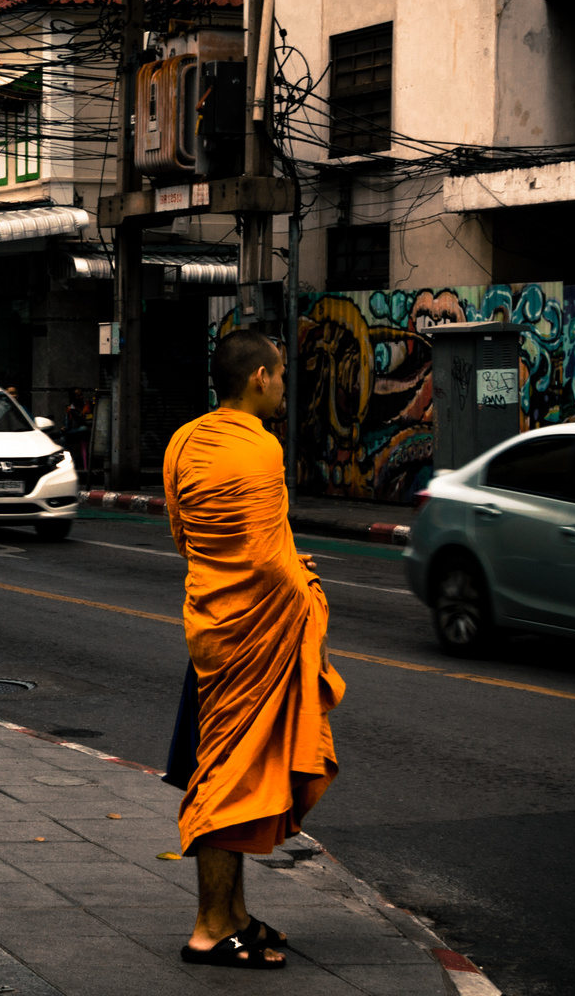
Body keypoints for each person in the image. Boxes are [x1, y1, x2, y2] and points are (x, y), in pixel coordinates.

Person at [162, 330, 345, 970]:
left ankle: (235, 916)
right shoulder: (261, 449)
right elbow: (269, 559)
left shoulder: (183, 441)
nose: (284, 389)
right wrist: (309, 591)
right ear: (261, 378)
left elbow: (185, 537)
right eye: (282, 377)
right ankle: (210, 929)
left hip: (213, 624)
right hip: (253, 638)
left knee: (228, 771)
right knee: (224, 780)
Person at [63, 388, 91, 470]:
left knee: (83, 428)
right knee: (62, 439)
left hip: (87, 433)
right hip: (75, 434)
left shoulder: (88, 405)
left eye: (81, 394)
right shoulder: (69, 409)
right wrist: (64, 428)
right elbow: (67, 425)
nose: (81, 397)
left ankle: (66, 433)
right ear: (73, 398)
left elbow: (88, 422)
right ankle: (73, 461)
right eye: (78, 396)